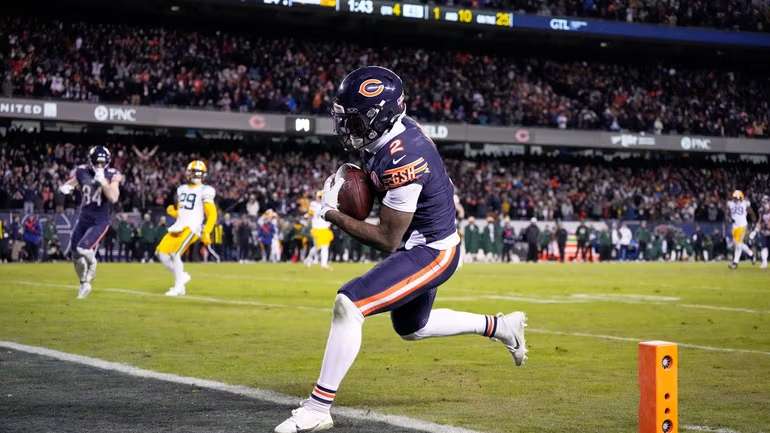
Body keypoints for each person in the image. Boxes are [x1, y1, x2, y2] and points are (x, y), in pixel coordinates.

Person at [274, 66, 527, 433]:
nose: (348, 129)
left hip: (431, 251)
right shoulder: (393, 135)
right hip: (420, 240)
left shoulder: (405, 155)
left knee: (349, 304)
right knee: (413, 327)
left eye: (357, 121)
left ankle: (318, 407)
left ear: (382, 116)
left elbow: (387, 239)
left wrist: (331, 212)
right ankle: (501, 326)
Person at [58, 146, 122, 299]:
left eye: (102, 163)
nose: (99, 166)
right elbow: (72, 183)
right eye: (97, 162)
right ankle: (84, 284)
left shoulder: (112, 174)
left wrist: (103, 182)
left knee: (82, 249)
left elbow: (113, 197)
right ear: (91, 160)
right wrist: (66, 187)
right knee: (75, 254)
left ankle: (93, 263)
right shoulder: (82, 171)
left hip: (100, 220)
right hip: (84, 218)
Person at [156, 160, 218, 296]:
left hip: (192, 227)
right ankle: (182, 277)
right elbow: (183, 209)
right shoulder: (181, 189)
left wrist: (207, 231)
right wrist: (174, 211)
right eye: (194, 172)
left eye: (197, 173)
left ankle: (178, 286)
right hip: (178, 225)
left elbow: (212, 213)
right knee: (161, 254)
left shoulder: (205, 190)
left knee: (175, 253)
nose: (195, 175)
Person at [304, 191, 334, 269]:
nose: (321, 198)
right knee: (318, 246)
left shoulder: (328, 205)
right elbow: (310, 213)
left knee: (325, 246)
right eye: (320, 197)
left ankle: (323, 264)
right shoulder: (314, 204)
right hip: (317, 228)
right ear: (317, 197)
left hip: (325, 228)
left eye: (322, 197)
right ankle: (309, 258)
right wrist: (307, 216)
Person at [727, 190, 756, 269]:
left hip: (742, 225)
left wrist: (754, 223)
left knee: (738, 244)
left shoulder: (745, 203)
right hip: (735, 226)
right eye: (734, 197)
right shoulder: (731, 204)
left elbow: (751, 213)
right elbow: (729, 213)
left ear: (740, 197)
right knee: (737, 244)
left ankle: (735, 263)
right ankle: (751, 254)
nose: (735, 199)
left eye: (736, 197)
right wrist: (729, 218)